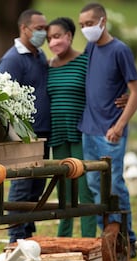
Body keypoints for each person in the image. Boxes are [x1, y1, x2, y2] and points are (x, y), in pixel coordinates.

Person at [78, 3, 137, 258]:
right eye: (82, 25)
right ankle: (107, 235)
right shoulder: (91, 47)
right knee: (95, 185)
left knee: (115, 185)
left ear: (102, 21)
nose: (86, 29)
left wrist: (119, 125)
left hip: (110, 132)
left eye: (89, 24)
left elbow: (136, 92)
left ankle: (127, 239)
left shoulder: (120, 50)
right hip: (89, 129)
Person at [0, 9, 50, 243]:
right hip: (25, 134)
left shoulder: (40, 55)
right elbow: (1, 99)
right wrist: (15, 134)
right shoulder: (12, 59)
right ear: (24, 29)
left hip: (43, 131)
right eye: (39, 28)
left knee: (38, 184)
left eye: (45, 28)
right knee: (22, 186)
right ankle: (15, 238)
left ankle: (27, 234)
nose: (44, 33)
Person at [46, 17, 96, 238]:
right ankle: (63, 238)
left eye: (57, 36)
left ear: (69, 36)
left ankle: (88, 240)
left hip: (80, 133)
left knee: (84, 189)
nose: (52, 42)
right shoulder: (49, 66)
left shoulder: (86, 62)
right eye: (49, 38)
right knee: (63, 190)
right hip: (58, 133)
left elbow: (101, 89)